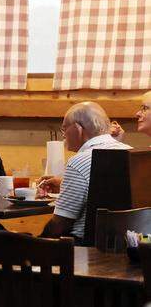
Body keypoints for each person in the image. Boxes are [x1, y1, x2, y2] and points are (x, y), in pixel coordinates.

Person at [40, 102, 131, 242]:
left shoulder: (79, 162)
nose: (63, 135)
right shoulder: (131, 153)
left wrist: (39, 241)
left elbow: (60, 224)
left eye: (64, 129)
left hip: (81, 250)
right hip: (127, 247)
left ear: (78, 129)